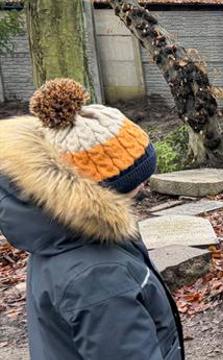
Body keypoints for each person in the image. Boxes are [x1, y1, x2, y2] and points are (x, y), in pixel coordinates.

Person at [0, 79, 183, 360]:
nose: (147, 184)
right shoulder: (99, 276)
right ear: (106, 188)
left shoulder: (57, 231)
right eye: (140, 178)